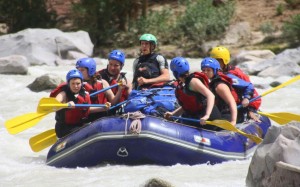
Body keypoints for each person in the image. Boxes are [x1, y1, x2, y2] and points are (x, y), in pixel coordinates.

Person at [164, 57, 221, 130]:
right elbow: (188, 105)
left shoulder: (193, 81)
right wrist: (173, 114)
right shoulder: (183, 85)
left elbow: (211, 96)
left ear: (175, 73)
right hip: (197, 117)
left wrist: (207, 115)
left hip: (208, 117)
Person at [210, 46, 261, 121]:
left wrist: (250, 108)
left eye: (218, 61)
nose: (216, 64)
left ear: (225, 61)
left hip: (239, 106)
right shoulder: (211, 73)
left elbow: (250, 88)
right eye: (214, 61)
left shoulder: (235, 74)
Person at [50, 69, 99, 138]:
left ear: (82, 83)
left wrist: (104, 107)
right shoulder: (63, 94)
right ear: (68, 84)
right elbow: (53, 106)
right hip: (64, 128)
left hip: (78, 125)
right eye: (72, 83)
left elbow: (88, 108)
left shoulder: (84, 94)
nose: (75, 86)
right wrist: (66, 105)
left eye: (78, 83)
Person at [201, 57, 238, 126]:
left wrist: (233, 121)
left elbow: (232, 102)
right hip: (214, 114)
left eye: (208, 70)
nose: (205, 72)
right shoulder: (204, 83)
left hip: (225, 116)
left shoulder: (220, 86)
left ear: (214, 71)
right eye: (203, 70)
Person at [97, 50, 131, 114]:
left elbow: (131, 99)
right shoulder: (99, 77)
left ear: (121, 66)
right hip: (101, 113)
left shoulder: (126, 81)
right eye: (110, 64)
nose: (112, 68)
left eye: (116, 65)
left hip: (118, 113)